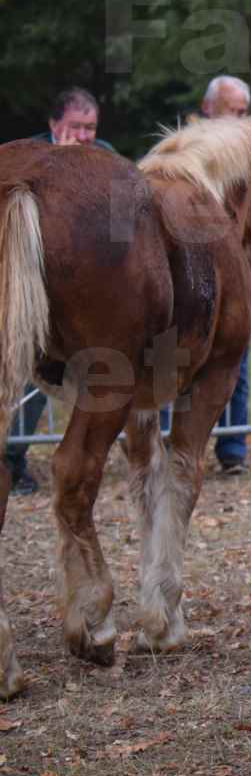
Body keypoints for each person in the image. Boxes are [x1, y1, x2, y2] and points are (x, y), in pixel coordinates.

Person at [5, 88, 119, 495]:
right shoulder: (27, 156)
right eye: (76, 127)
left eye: (91, 128)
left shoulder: (106, 157)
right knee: (26, 375)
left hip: (80, 289)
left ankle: (38, 459)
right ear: (55, 125)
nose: (85, 136)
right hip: (25, 283)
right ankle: (11, 459)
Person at [158, 75, 251, 474]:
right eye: (233, 110)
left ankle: (233, 449)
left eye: (244, 112)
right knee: (170, 354)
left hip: (231, 267)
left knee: (237, 360)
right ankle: (164, 442)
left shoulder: (248, 151)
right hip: (185, 265)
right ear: (207, 106)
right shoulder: (182, 144)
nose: (239, 118)